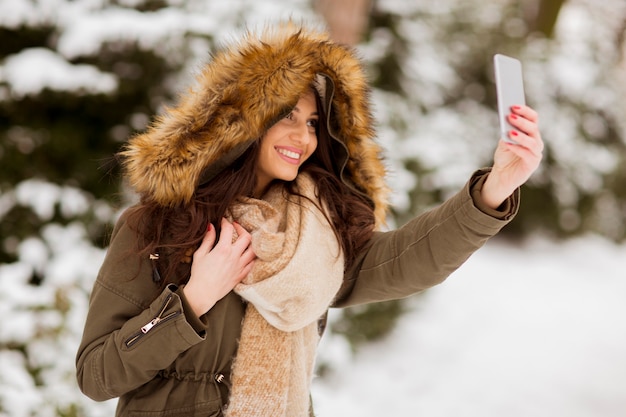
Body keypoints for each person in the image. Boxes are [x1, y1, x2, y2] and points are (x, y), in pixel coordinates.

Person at [76, 22, 543, 417]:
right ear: (244, 125)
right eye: (287, 116)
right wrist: (193, 300)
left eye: (315, 123)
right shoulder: (155, 226)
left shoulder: (318, 235)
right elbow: (96, 375)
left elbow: (409, 258)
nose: (303, 136)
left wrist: (495, 188)